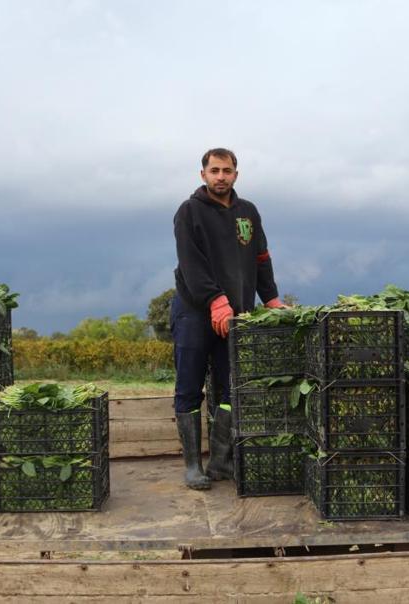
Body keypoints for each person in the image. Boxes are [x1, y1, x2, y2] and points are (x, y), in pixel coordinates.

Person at [171, 148, 285, 490]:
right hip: (195, 311)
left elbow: (261, 258)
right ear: (202, 174)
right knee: (189, 387)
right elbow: (191, 264)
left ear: (236, 174)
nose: (221, 176)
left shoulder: (248, 212)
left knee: (231, 386)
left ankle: (220, 461)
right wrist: (215, 300)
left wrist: (272, 298)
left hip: (237, 314)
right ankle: (193, 466)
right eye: (215, 170)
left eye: (228, 170)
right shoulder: (189, 212)